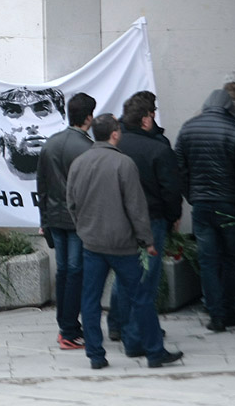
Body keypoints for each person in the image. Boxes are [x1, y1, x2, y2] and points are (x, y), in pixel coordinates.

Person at [66, 113, 183, 370]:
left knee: (90, 300)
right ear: (115, 134)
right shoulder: (123, 163)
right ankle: (154, 352)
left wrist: (83, 228)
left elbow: (71, 203)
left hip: (92, 243)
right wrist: (147, 240)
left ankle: (96, 355)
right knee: (140, 297)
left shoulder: (79, 163)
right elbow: (136, 208)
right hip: (123, 245)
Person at [173, 89, 235, 333]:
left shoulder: (188, 128)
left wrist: (191, 195)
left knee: (207, 262)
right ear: (229, 107)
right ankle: (228, 311)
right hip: (230, 207)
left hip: (202, 205)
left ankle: (215, 314)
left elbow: (179, 168)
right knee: (230, 260)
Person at [36, 92, 95, 349]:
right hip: (76, 219)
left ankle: (66, 326)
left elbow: (42, 186)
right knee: (74, 271)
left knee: (65, 271)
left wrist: (44, 218)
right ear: (89, 118)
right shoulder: (87, 148)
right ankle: (69, 329)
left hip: (55, 217)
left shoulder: (50, 143)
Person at [0, 86, 66, 178]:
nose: (31, 124)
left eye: (43, 110)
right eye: (13, 112)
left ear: (62, 118)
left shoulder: (77, 162)